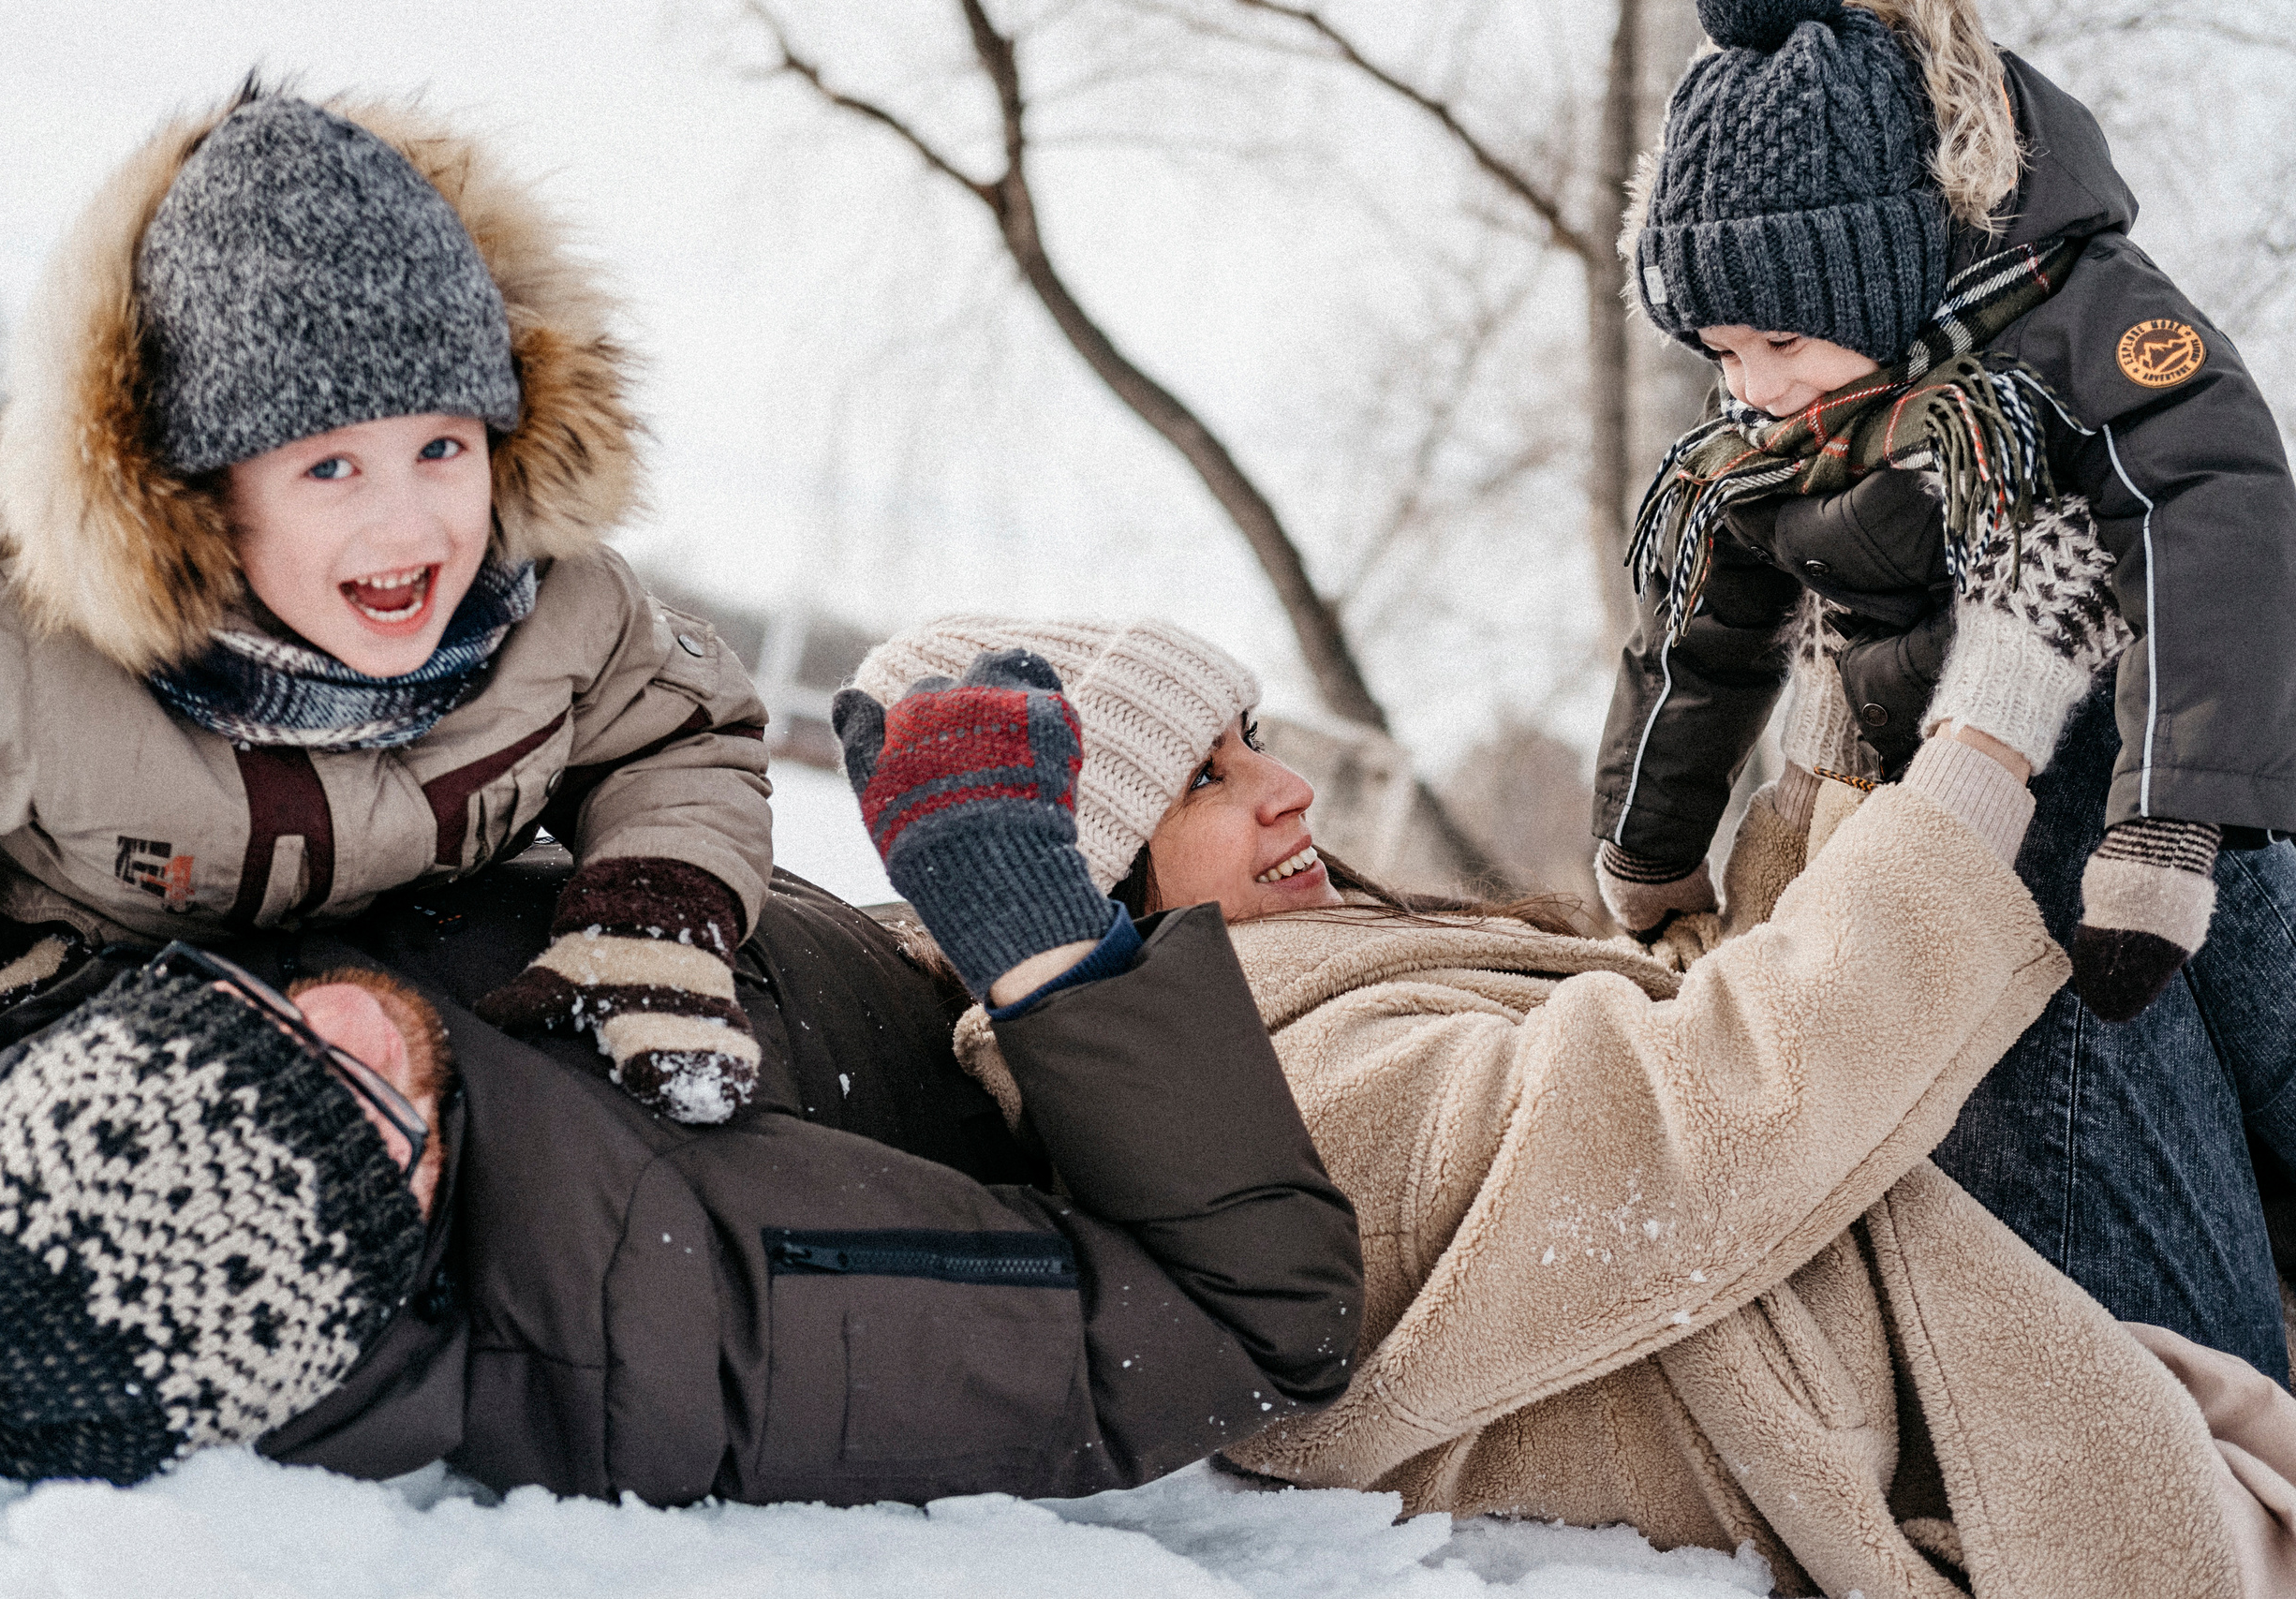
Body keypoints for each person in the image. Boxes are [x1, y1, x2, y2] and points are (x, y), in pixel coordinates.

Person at [847, 594, 2296, 1596]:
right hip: (2026, 1444)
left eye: (1252, 734)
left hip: (2001, 1311)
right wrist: (1982, 736)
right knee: (2101, 755)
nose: (1287, 786)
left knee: (2123, 767)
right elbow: (1708, 1111)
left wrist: (1833, 728)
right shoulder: (1261, 1110)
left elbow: (1688, 1011)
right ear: (1088, 875)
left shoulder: (1294, 996)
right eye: (1202, 780)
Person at [0, 660, 1363, 1502]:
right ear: (369, 1272)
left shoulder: (8, 1098)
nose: (335, 1020)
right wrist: (1039, 928)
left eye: (249, 1025)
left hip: (828, 922)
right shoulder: (653, 1311)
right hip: (1055, 1022)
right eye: (344, 1120)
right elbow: (1255, 1320)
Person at [1589, 0, 2296, 1380]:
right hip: (1969, 789)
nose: (1751, 389)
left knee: (2269, 1033)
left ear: (1879, 274)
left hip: (2169, 777)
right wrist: (1647, 848)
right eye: (1719, 352)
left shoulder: (2068, 317)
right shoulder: (1780, 427)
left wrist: (2162, 839)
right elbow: (1700, 638)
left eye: (1779, 341)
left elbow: (2212, 505)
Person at [0, 81, 775, 1134]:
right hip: (74, 1000)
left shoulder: (558, 612)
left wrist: (654, 910)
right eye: (331, 468)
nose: (408, 530)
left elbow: (685, 733)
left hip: (372, 1029)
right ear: (199, 488)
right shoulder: (7, 642)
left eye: (442, 448)